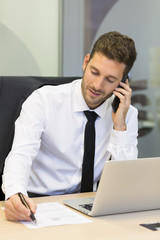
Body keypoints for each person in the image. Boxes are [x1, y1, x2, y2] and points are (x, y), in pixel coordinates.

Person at [2, 31, 138, 221]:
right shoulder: (44, 100)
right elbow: (21, 154)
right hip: (38, 203)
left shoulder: (126, 114)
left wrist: (119, 126)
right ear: (85, 62)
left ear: (123, 82)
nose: (98, 85)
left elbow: (125, 184)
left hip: (89, 206)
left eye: (110, 79)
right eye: (94, 72)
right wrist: (15, 193)